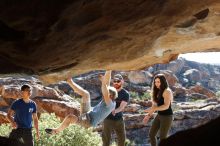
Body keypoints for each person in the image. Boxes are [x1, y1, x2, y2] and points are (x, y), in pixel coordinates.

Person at [45, 70, 117, 134]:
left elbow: (105, 91)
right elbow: (107, 85)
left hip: (88, 121)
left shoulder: (110, 104)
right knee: (86, 94)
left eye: (108, 94)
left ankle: (56, 131)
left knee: (70, 118)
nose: (104, 94)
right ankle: (69, 81)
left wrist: (103, 82)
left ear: (110, 95)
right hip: (88, 112)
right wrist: (109, 70)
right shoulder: (111, 99)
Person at [143, 74, 173, 146]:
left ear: (163, 82)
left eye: (158, 82)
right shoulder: (157, 90)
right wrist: (148, 115)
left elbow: (166, 106)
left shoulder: (167, 91)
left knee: (163, 138)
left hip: (167, 117)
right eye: (155, 82)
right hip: (159, 115)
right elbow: (155, 105)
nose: (156, 84)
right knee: (151, 134)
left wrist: (153, 109)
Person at [102, 74, 130, 146]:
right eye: (114, 81)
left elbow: (121, 107)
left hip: (119, 119)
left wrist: (114, 111)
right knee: (106, 140)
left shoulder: (125, 94)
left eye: (118, 81)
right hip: (108, 119)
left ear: (122, 81)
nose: (116, 83)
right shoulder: (109, 91)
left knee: (122, 139)